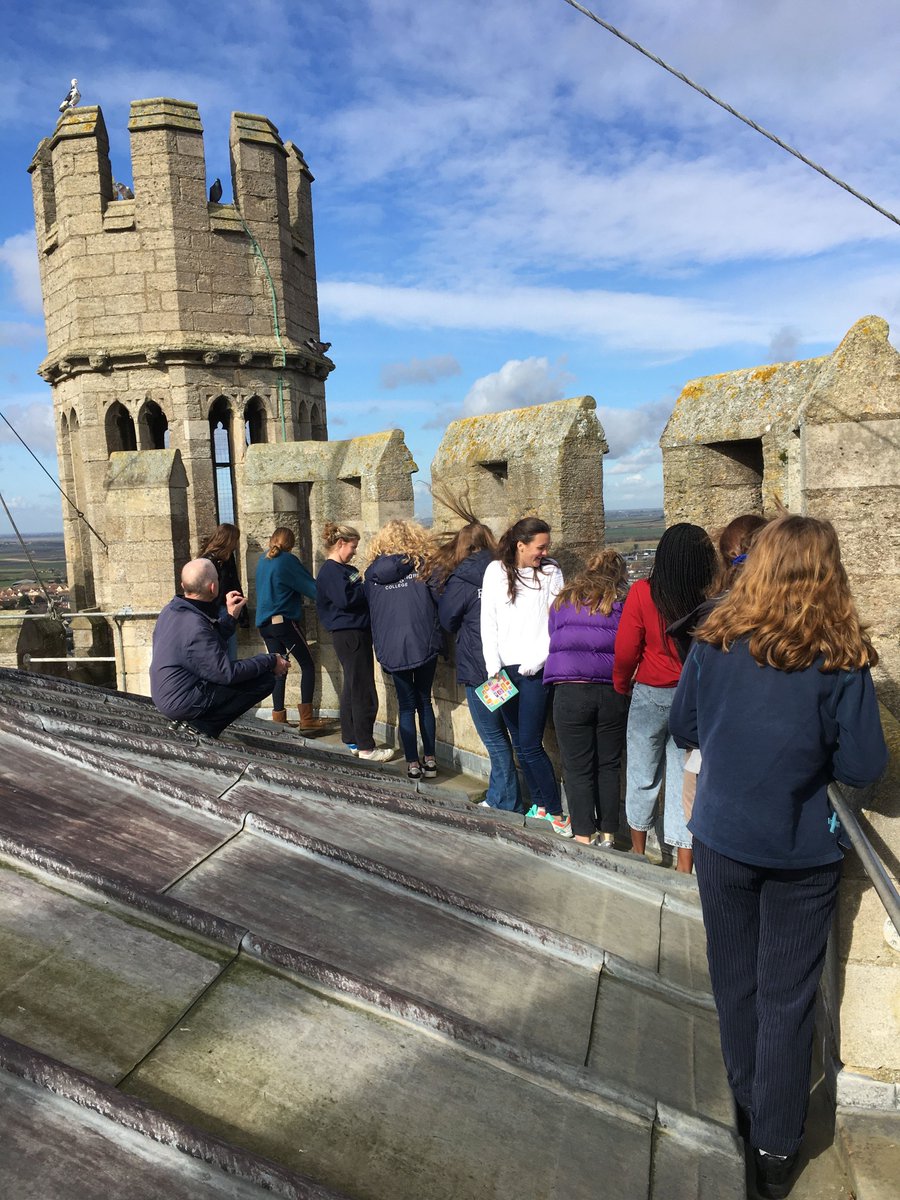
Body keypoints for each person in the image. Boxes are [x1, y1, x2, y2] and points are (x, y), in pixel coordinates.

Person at [669, 515, 887, 1199]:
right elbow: (864, 762)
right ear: (829, 572)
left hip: (724, 838)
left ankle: (744, 1110)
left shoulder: (716, 639)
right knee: (788, 997)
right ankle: (775, 1143)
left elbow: (683, 725)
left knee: (735, 982)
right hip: (801, 849)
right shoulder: (840, 656)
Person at [613, 522, 716, 872]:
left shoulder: (642, 592)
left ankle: (639, 854)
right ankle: (684, 865)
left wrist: (621, 684)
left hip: (650, 693)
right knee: (683, 782)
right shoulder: (708, 598)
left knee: (642, 774)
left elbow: (626, 650)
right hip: (692, 699)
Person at [480, 516, 570, 836]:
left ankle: (558, 814)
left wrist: (539, 658)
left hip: (534, 670)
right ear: (521, 545)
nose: (544, 552)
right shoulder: (495, 572)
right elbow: (488, 621)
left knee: (531, 744)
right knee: (519, 743)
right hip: (503, 671)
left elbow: (557, 621)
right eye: (540, 547)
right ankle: (542, 806)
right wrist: (493, 666)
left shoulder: (550, 572)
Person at [432, 494, 522, 811]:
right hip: (513, 664)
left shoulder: (464, 577)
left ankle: (505, 800)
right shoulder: (510, 569)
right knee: (512, 735)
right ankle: (506, 795)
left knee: (493, 736)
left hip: (480, 666)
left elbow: (447, 618)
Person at [544, 549, 629, 847]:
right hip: (611, 691)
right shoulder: (621, 603)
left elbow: (554, 636)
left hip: (569, 689)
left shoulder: (562, 601)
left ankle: (583, 835)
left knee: (576, 767)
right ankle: (609, 835)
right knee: (608, 765)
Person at [150, 557, 287, 738]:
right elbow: (226, 673)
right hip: (182, 702)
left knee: (255, 672)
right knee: (265, 680)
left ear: (183, 585)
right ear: (213, 588)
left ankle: (202, 722)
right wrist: (271, 660)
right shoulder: (195, 625)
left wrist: (230, 617)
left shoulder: (172, 610)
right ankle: (204, 727)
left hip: (168, 695)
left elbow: (206, 646)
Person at [365, 520, 442, 780]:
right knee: (425, 702)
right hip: (424, 641)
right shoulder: (423, 566)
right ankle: (430, 760)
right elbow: (439, 598)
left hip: (391, 646)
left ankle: (412, 764)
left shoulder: (372, 575)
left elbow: (372, 609)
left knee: (406, 706)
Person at [316, 522, 393, 763]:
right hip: (351, 634)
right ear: (340, 544)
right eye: (353, 546)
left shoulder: (339, 570)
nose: (355, 551)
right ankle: (366, 746)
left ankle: (351, 738)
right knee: (363, 690)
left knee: (352, 686)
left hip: (348, 634)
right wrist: (368, 587)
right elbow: (345, 599)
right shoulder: (331, 571)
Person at [255, 527, 331, 733]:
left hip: (265, 625)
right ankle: (306, 719)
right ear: (291, 544)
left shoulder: (263, 559)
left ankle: (278, 717)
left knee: (278, 668)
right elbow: (311, 588)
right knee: (307, 664)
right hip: (283, 623)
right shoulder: (287, 560)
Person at [198, 522, 247, 662]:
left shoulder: (226, 558)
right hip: (217, 611)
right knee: (225, 657)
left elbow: (233, 584)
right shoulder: (209, 560)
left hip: (226, 609)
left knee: (229, 655)